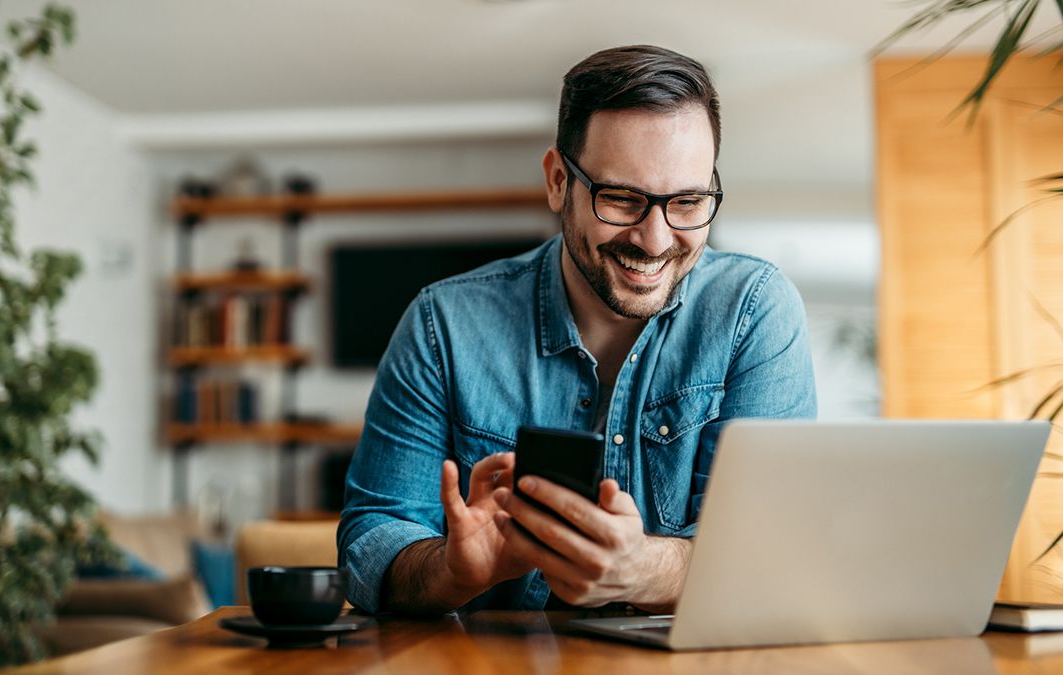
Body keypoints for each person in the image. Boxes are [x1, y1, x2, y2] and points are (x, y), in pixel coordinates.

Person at [337, 45, 816, 615]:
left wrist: (642, 570)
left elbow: (773, 556)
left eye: (687, 201)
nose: (656, 240)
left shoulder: (754, 311)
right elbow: (368, 547)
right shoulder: (443, 324)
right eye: (622, 198)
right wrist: (452, 570)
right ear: (559, 181)